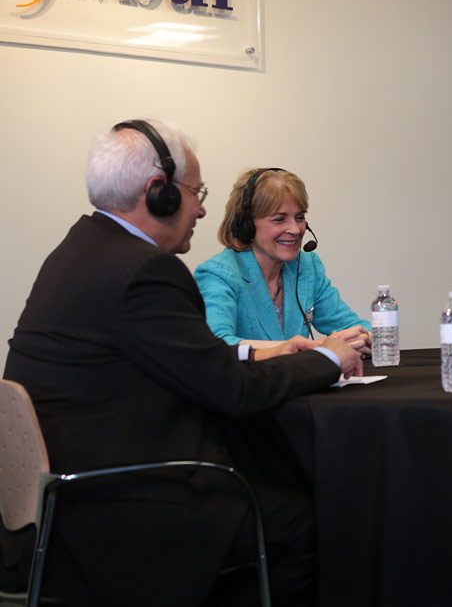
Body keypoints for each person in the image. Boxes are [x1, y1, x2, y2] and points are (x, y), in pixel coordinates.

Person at [2, 119, 364, 606]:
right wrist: (327, 358)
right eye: (196, 192)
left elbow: (190, 358)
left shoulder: (79, 250)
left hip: (61, 504)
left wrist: (268, 352)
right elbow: (234, 391)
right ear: (159, 193)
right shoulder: (144, 271)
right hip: (117, 511)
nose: (202, 209)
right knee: (308, 522)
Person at [195, 167, 371, 351]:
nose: (295, 230)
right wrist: (315, 346)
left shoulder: (307, 266)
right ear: (246, 225)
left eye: (300, 217)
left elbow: (352, 327)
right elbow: (217, 344)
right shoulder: (218, 274)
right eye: (279, 219)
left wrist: (366, 337)